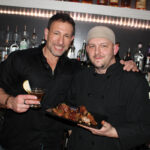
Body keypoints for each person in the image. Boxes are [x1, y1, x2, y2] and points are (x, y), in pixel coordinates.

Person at [0, 13, 138, 150]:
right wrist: (9, 102)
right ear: (46, 33)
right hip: (16, 143)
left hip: (52, 144)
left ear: (72, 40)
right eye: (56, 33)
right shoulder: (20, 59)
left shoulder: (75, 69)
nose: (60, 41)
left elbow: (103, 67)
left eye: (66, 36)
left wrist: (125, 65)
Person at [67, 26, 150, 150]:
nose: (97, 52)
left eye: (103, 46)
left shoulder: (134, 80)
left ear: (115, 49)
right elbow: (70, 108)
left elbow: (146, 128)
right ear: (86, 49)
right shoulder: (80, 77)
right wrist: (70, 130)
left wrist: (114, 132)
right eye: (92, 46)